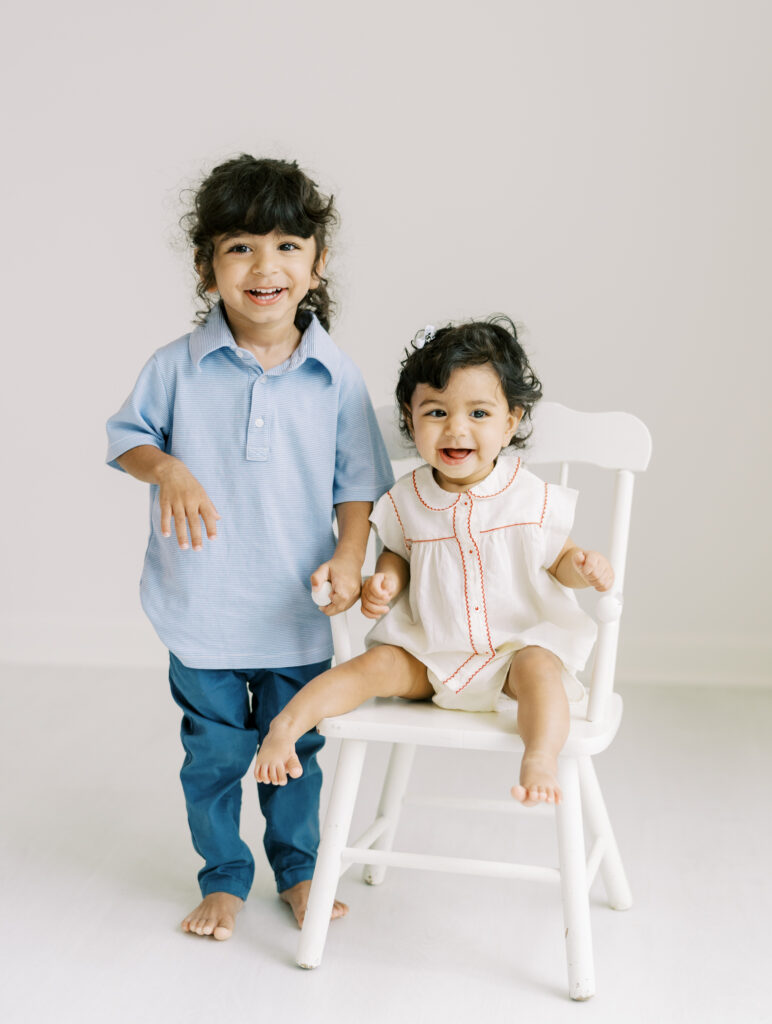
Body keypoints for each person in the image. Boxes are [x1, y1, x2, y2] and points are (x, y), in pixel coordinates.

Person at [105, 155, 393, 939]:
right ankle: (225, 876)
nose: (265, 266)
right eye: (240, 247)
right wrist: (167, 468)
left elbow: (358, 482)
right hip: (202, 603)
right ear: (208, 267)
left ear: (317, 263)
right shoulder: (176, 367)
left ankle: (298, 870)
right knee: (214, 757)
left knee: (296, 746)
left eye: (287, 246)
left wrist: (348, 555)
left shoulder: (336, 376)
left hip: (299, 608)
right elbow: (126, 441)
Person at [255, 316, 613, 807]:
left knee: (541, 671)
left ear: (511, 422)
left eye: (480, 413)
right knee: (372, 664)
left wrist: (584, 567)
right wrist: (384, 581)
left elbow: (560, 557)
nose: (457, 428)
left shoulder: (528, 496)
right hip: (428, 654)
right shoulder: (406, 500)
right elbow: (399, 554)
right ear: (410, 420)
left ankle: (539, 756)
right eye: (437, 412)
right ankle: (286, 724)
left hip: (511, 654)